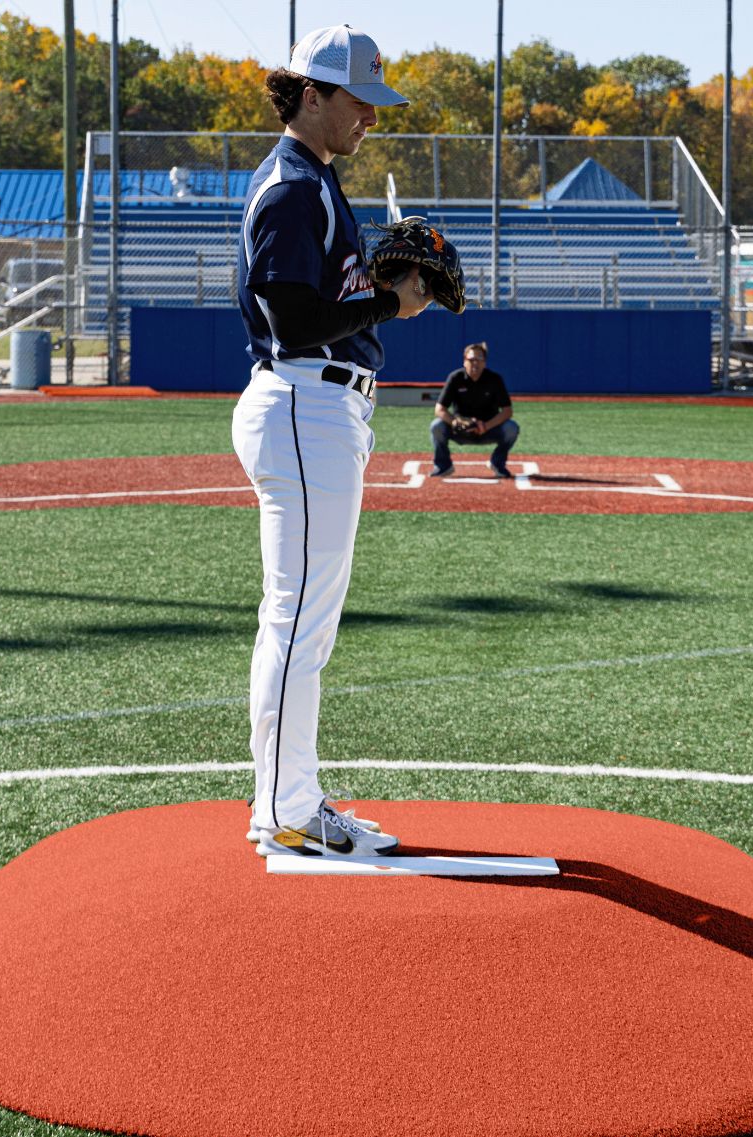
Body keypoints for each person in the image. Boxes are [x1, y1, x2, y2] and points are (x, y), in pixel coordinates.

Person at [231, 25, 433, 859]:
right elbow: (292, 322)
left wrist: (376, 288)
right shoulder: (292, 187)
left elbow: (315, 301)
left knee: (302, 619)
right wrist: (391, 306)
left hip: (320, 409)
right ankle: (286, 807)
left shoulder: (315, 182)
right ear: (310, 94)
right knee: (297, 621)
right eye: (358, 100)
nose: (370, 119)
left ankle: (286, 798)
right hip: (304, 405)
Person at [430, 343, 519, 478]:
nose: (475, 363)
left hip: (488, 429)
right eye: (471, 360)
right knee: (437, 426)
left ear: (485, 362)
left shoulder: (494, 379)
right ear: (464, 361)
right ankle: (443, 465)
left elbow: (507, 411)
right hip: (461, 429)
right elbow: (439, 409)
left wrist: (485, 426)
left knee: (511, 428)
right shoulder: (455, 378)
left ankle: (497, 463)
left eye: (479, 359)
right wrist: (455, 422)